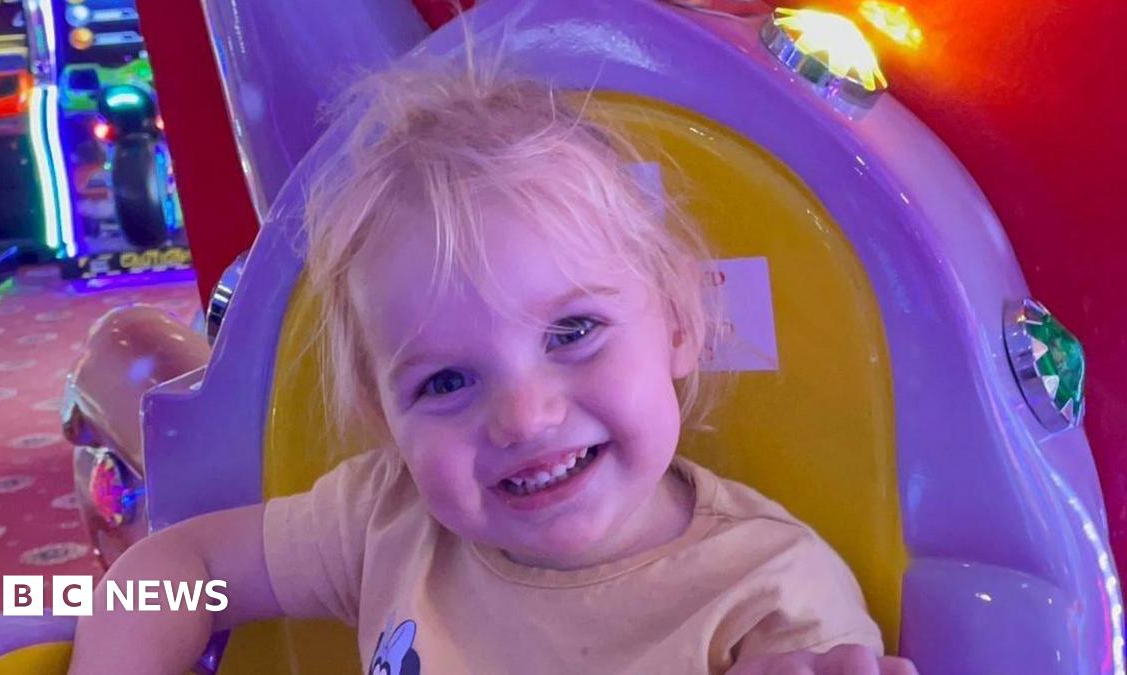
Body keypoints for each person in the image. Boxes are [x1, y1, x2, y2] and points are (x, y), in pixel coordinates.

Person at [69, 50, 917, 675]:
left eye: (572, 331)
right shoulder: (385, 517)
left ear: (680, 326)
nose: (522, 415)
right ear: (382, 414)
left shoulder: (772, 600)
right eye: (444, 381)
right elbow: (180, 567)